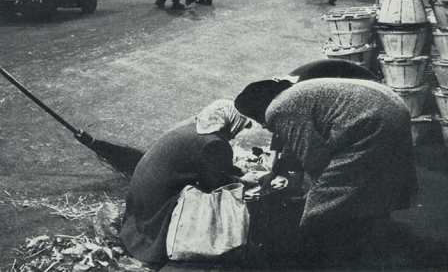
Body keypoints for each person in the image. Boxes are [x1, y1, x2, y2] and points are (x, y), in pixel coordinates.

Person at [234, 77, 418, 267]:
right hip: (393, 108)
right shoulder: (292, 93)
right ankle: (364, 227)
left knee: (328, 197)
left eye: (255, 118)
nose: (261, 125)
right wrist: (274, 172)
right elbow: (295, 142)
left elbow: (316, 161)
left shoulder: (278, 108)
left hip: (373, 121)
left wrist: (312, 198)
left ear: (258, 109)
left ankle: (321, 256)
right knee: (371, 177)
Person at [119, 100, 258, 268]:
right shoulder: (214, 142)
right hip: (158, 208)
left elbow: (204, 160)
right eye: (239, 127)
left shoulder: (192, 124)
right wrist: (245, 182)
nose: (236, 134)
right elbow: (217, 185)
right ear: (231, 122)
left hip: (140, 201)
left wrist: (236, 170)